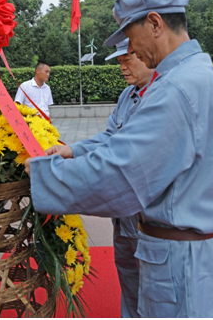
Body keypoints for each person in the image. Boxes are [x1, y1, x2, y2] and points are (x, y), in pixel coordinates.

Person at [25, 0, 213, 318]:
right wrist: (75, 153)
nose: (132, 50)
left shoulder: (176, 87)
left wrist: (41, 175)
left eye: (130, 35)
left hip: (181, 262)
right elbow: (119, 140)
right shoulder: (195, 72)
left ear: (155, 23)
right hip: (193, 255)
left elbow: (121, 171)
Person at [46, 38, 153, 318]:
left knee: (154, 288)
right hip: (123, 216)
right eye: (119, 61)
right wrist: (71, 150)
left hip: (150, 217)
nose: (122, 67)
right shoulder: (127, 96)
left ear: (146, 54)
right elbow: (109, 138)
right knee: (129, 279)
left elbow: (127, 155)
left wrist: (64, 180)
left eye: (127, 60)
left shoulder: (160, 100)